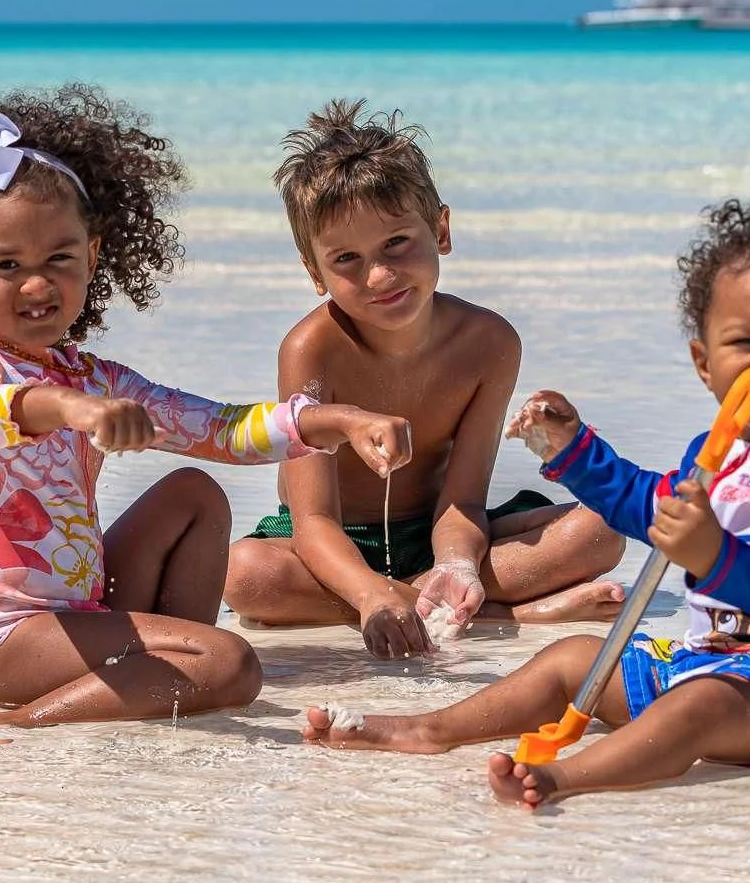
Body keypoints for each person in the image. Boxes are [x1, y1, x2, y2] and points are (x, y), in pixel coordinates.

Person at [301, 198, 750, 808]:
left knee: (701, 706)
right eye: (745, 342)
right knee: (572, 658)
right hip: (707, 664)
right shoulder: (714, 454)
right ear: (704, 364)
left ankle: (564, 778)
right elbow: (640, 504)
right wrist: (575, 452)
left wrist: (711, 555)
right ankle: (431, 730)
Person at [0, 84, 411, 730]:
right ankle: (13, 728)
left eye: (60, 258)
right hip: (0, 639)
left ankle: (167, 677)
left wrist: (340, 420)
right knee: (233, 664)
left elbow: (223, 429)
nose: (37, 282)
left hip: (80, 615)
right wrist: (71, 409)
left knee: (193, 493)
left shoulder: (96, 379)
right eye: (7, 264)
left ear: (92, 256)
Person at [223, 100, 626, 660]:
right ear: (314, 272)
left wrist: (457, 565)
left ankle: (444, 596)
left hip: (442, 532)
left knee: (603, 527)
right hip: (334, 546)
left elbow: (463, 501)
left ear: (440, 229)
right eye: (346, 258)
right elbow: (313, 522)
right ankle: (509, 613)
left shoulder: (489, 342)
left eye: (396, 243)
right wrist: (369, 595)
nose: (379, 276)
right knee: (244, 575)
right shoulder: (310, 350)